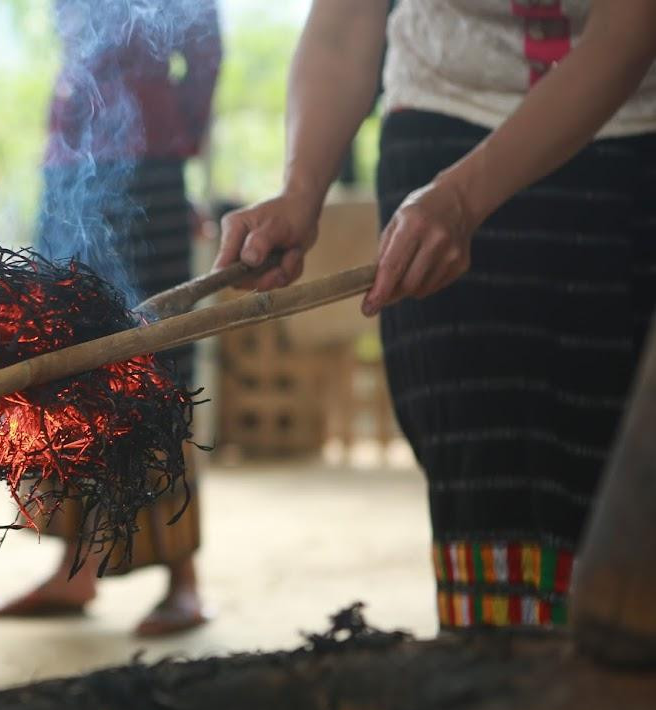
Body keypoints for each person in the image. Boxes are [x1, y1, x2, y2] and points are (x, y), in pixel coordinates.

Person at [216, 0, 656, 629]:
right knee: (483, 470)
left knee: (617, 465)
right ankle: (494, 683)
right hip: (442, 121)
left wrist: (463, 197)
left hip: (630, 136)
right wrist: (301, 189)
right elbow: (345, 26)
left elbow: (629, 29)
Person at [0, 0, 222, 636]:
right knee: (64, 364)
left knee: (156, 363)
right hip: (67, 160)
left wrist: (174, 152)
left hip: (150, 162)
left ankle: (184, 579)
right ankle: (73, 571)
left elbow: (203, 47)